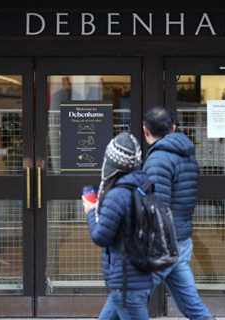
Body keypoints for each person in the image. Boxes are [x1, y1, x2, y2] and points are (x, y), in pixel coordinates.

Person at [143, 107, 213, 319]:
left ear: (145, 131)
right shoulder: (187, 155)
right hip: (180, 239)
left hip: (162, 243)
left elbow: (156, 206)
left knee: (128, 295)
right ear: (173, 128)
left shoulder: (159, 159)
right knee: (190, 302)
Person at [83, 132, 152, 320]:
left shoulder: (117, 195)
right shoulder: (143, 186)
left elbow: (100, 236)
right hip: (137, 275)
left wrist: (90, 211)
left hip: (126, 282)